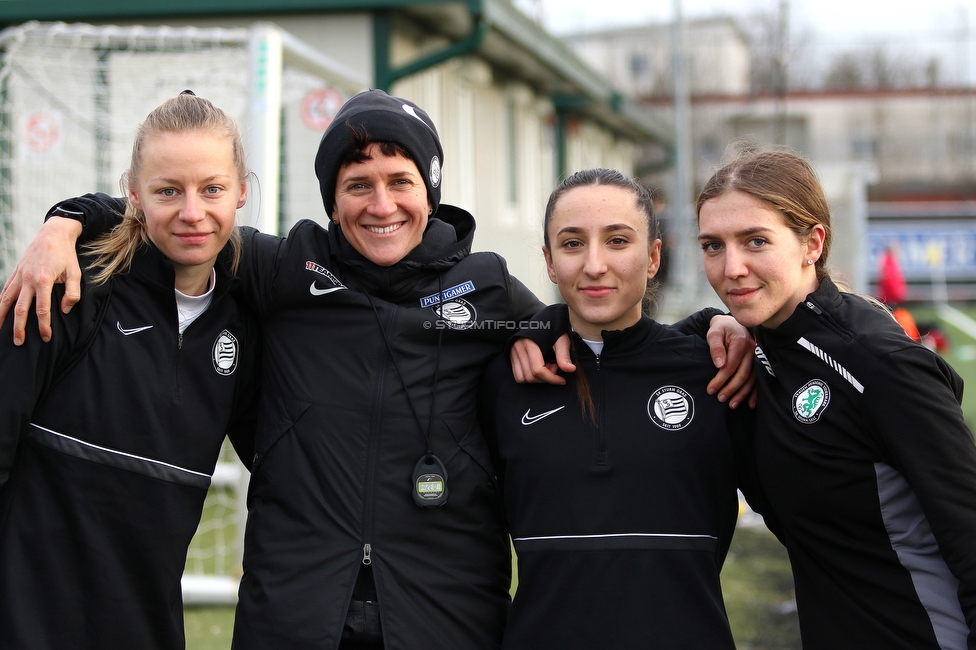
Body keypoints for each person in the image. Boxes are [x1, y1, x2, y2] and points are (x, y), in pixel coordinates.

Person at [0, 90, 755, 650]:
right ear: (332, 197)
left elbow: (597, 323)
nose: (381, 204)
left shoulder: (489, 291)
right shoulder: (279, 268)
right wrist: (68, 220)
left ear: (431, 189)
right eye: (358, 186)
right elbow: (182, 217)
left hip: (443, 615)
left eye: (401, 182)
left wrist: (706, 329)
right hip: (294, 612)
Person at [0, 91, 259, 649]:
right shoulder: (67, 288)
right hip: (25, 623)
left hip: (145, 626)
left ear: (241, 191)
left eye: (211, 189)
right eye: (169, 191)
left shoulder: (248, 319)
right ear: (135, 195)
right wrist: (65, 222)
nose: (192, 212)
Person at [696, 148, 976, 650]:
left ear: (812, 243)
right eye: (713, 246)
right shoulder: (760, 347)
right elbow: (629, 352)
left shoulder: (876, 361)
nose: (731, 267)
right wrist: (543, 329)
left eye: (755, 240)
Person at [480, 169, 758, 648]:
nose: (594, 265)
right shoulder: (506, 379)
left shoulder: (716, 369)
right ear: (548, 262)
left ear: (653, 257)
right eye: (571, 244)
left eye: (617, 241)